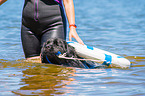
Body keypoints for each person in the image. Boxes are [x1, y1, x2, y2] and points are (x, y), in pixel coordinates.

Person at [0, 0, 84, 60]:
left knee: (52, 61)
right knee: (32, 65)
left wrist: (72, 27)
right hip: (28, 26)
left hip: (54, 24)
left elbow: (68, 2)